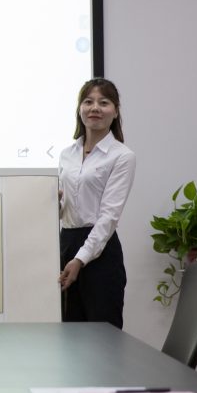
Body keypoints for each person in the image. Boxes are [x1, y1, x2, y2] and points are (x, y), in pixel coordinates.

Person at [57, 78, 136, 330]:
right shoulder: (66, 154)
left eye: (104, 102)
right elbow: (64, 209)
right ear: (80, 109)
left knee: (103, 338)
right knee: (69, 336)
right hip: (66, 245)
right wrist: (53, 206)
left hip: (100, 253)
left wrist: (80, 260)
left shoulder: (122, 156)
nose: (95, 108)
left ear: (115, 111)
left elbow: (109, 217)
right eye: (88, 101)